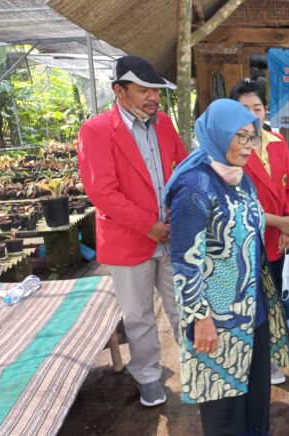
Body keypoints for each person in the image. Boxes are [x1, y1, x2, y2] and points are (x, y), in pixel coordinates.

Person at [164, 99, 289, 436]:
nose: (249, 146)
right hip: (217, 322)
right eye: (241, 137)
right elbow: (184, 262)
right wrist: (200, 317)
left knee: (254, 406)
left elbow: (249, 223)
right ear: (219, 135)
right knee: (224, 413)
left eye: (253, 137)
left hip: (254, 313)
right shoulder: (194, 187)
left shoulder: (239, 177)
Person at [78, 55, 188, 407]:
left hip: (172, 235)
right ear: (119, 91)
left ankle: (200, 368)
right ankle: (148, 376)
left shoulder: (164, 125)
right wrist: (149, 226)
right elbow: (103, 193)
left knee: (184, 307)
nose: (152, 97)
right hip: (130, 240)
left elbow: (183, 170)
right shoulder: (96, 130)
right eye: (143, 90)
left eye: (155, 90)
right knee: (139, 315)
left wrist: (180, 216)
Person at [230, 79, 289, 386]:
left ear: (266, 110)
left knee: (283, 292)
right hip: (250, 241)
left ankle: (286, 341)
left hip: (281, 237)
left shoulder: (277, 142)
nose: (252, 114)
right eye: (243, 109)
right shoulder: (231, 148)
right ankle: (266, 356)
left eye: (257, 107)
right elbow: (236, 205)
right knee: (259, 301)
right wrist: (278, 222)